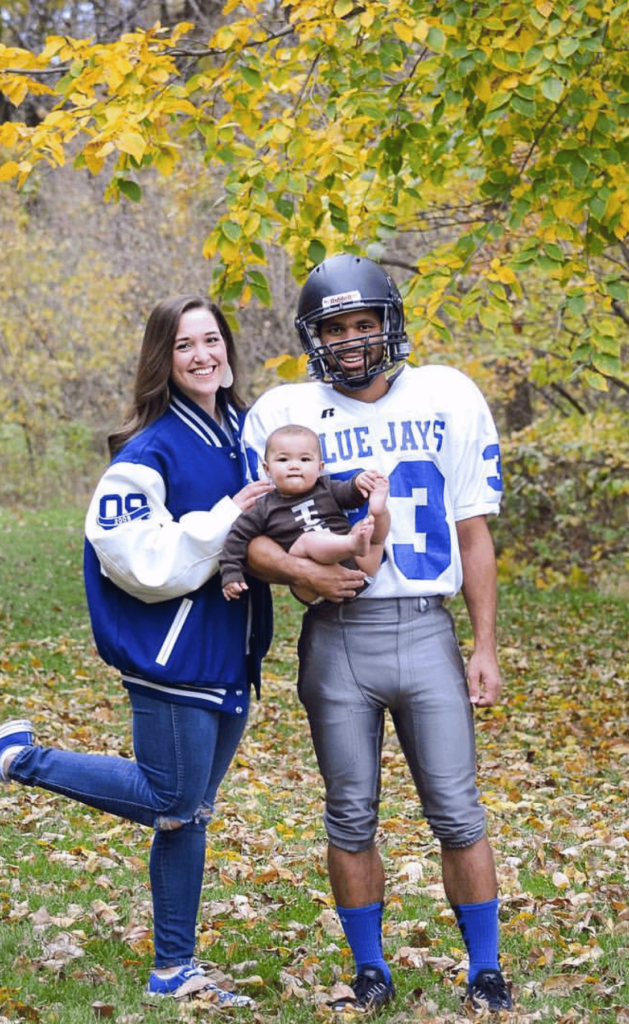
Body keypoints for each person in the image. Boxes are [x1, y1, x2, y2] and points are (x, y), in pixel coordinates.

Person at [242, 254, 513, 1014]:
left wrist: (483, 645)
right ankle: (370, 970)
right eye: (336, 327)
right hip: (336, 635)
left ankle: (484, 968)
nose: (353, 340)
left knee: (457, 809)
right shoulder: (283, 414)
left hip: (426, 629)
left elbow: (472, 531)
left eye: (366, 323)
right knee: (349, 811)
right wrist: (302, 577)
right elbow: (252, 532)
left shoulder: (448, 393)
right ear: (312, 337)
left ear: (390, 326)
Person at [0, 295, 273, 1008]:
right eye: (185, 345)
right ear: (163, 356)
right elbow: (136, 558)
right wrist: (226, 520)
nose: (203, 355)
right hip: (173, 652)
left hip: (230, 650)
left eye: (212, 339)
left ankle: (172, 970)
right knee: (171, 796)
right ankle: (19, 760)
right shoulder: (147, 449)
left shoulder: (244, 430)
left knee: (190, 812)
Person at [219, 423, 390, 606]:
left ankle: (378, 511)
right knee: (308, 540)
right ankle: (352, 543)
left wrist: (357, 483)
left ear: (320, 467)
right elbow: (237, 537)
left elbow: (349, 496)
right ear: (267, 469)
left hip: (360, 569)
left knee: (369, 527)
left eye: (305, 460)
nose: (294, 466)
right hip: (309, 583)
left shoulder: (326, 488)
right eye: (283, 460)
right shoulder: (263, 507)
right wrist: (231, 572)